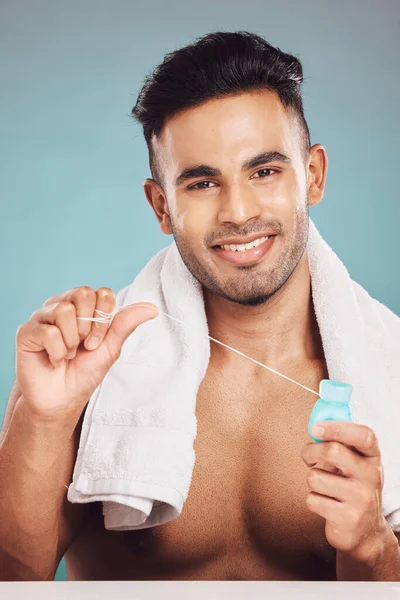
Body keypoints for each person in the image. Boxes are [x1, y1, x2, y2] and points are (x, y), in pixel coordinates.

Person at [1, 30, 399, 582]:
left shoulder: (391, 372)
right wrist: (42, 420)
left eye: (264, 171)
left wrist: (374, 549)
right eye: (203, 183)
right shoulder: (89, 370)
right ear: (161, 207)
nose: (238, 211)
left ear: (313, 175)